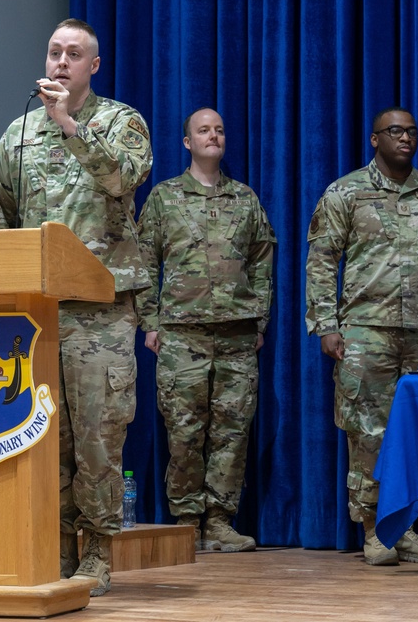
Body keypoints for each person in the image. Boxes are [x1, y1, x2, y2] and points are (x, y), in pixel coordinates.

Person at [0, 18, 152, 596]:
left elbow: (124, 178)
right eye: (54, 51)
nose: (60, 62)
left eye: (73, 54)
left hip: (101, 309)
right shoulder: (18, 134)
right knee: (45, 437)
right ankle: (53, 547)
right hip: (37, 313)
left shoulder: (122, 121)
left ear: (93, 67)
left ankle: (99, 551)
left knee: (99, 435)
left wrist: (70, 125)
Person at [304, 107, 418, 566]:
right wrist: (328, 325)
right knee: (368, 433)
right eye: (395, 131)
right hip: (366, 332)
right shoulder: (347, 192)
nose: (406, 138)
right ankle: (375, 530)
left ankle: (408, 528)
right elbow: (320, 262)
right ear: (375, 139)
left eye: (413, 131)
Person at [136, 107, 275, 553]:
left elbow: (263, 263)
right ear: (187, 142)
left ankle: (220, 520)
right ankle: (187, 520)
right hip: (182, 333)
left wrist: (259, 319)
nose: (213, 135)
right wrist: (150, 322)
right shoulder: (164, 197)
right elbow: (143, 260)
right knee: (184, 431)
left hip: (236, 333)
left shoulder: (246, 199)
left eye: (219, 129)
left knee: (232, 431)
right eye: (203, 130)